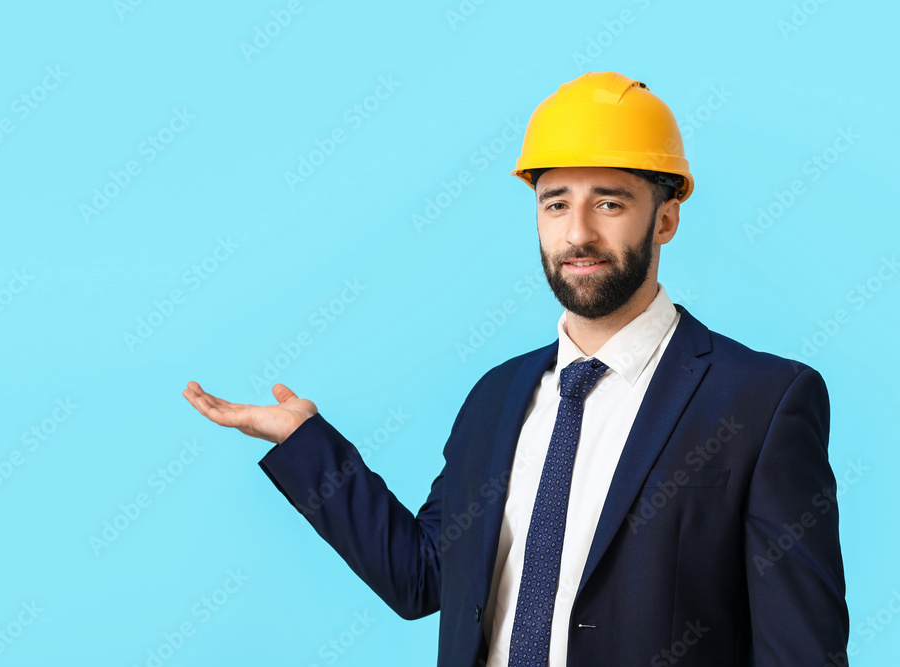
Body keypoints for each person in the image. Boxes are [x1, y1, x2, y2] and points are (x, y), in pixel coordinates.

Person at [182, 71, 849, 666]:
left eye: (610, 202)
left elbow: (801, 650)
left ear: (666, 217)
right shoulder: (498, 396)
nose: (578, 231)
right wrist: (306, 443)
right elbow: (425, 578)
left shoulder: (761, 402)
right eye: (556, 202)